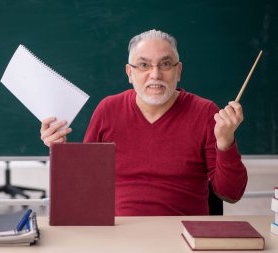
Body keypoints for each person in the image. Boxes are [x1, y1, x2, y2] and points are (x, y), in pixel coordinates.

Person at [40, 29, 247, 216]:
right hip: (118, 234)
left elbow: (231, 194)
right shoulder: (108, 109)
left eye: (165, 64)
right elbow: (85, 186)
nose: (155, 74)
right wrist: (59, 150)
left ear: (179, 71)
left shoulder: (205, 112)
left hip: (182, 235)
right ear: (130, 73)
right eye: (144, 65)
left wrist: (225, 142)